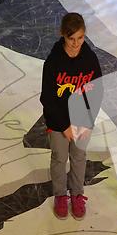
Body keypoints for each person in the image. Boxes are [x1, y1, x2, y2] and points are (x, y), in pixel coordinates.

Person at [40, 12, 103, 220]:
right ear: (62, 35)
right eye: (71, 39)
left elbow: (96, 92)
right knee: (59, 158)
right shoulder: (53, 62)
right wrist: (65, 125)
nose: (76, 44)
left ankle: (77, 194)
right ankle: (60, 195)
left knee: (79, 157)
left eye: (80, 38)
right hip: (58, 122)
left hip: (83, 122)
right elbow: (48, 98)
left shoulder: (90, 59)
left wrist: (86, 122)